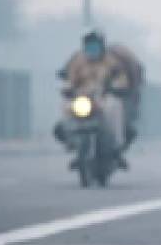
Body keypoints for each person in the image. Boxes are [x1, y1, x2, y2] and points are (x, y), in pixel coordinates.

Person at [58, 30, 136, 166]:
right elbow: (69, 78)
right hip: (82, 98)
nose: (92, 50)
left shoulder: (111, 61)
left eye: (95, 46)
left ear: (101, 46)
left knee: (114, 106)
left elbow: (120, 77)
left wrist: (117, 87)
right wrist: (67, 88)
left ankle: (116, 144)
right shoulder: (78, 60)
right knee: (65, 106)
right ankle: (70, 140)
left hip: (103, 97)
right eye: (89, 46)